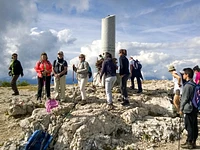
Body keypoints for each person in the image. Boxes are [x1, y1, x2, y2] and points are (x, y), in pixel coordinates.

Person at [180, 68, 198, 149]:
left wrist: (181, 108)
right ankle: (193, 141)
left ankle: (189, 142)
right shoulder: (194, 84)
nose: (183, 75)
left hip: (188, 108)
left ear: (187, 75)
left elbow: (185, 98)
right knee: (194, 125)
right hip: (195, 107)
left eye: (184, 74)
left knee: (189, 126)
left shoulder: (187, 86)